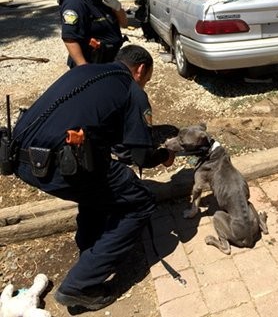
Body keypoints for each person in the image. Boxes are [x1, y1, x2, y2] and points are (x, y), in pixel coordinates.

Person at [12, 45, 175, 311]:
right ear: (141, 70)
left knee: (97, 185)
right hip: (58, 165)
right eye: (147, 80)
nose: (145, 85)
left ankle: (90, 249)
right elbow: (141, 157)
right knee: (141, 201)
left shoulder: (86, 72)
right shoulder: (132, 90)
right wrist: (163, 155)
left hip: (20, 157)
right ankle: (80, 285)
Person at [60, 0, 128, 68]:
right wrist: (83, 66)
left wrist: (118, 8)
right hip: (92, 62)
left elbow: (124, 24)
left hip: (109, 59)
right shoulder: (75, 2)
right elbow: (69, 38)